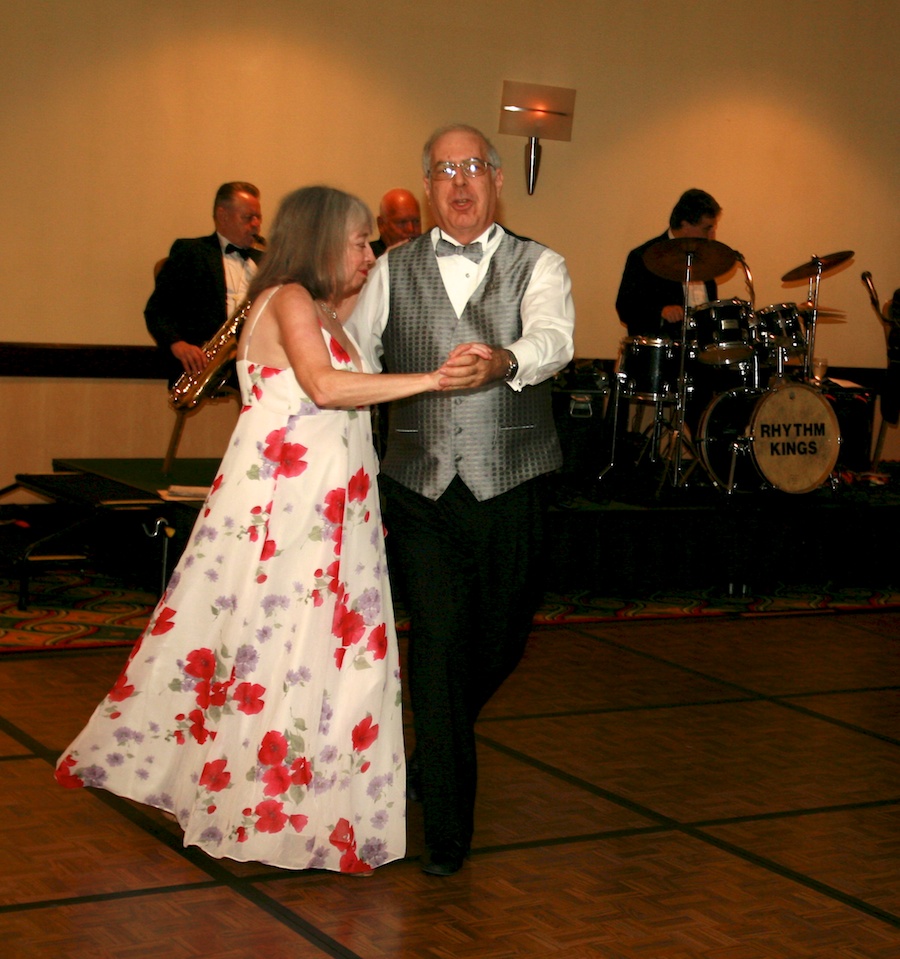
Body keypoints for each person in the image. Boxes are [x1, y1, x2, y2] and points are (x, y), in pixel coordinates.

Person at [56, 186, 486, 875]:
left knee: (316, 649)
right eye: (355, 241)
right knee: (280, 646)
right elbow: (323, 386)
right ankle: (269, 803)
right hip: (292, 507)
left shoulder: (321, 307)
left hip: (332, 502)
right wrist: (431, 381)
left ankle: (317, 800)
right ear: (318, 242)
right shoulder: (286, 297)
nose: (365, 251)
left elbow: (358, 336)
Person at [349, 124, 575, 876]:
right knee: (438, 649)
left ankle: (433, 746)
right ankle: (446, 833)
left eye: (472, 165)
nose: (459, 181)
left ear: (496, 176)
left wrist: (507, 357)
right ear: (426, 184)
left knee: (503, 640)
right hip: (418, 490)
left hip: (513, 483)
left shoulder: (540, 263)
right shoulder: (390, 269)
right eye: (443, 169)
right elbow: (353, 357)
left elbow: (553, 339)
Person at [145, 182, 264, 384]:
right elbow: (157, 310)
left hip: (260, 357)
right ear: (223, 215)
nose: (255, 224)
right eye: (247, 217)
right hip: (207, 359)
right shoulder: (191, 252)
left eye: (258, 217)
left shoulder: (266, 261)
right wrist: (178, 344)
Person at [615, 188, 722, 338]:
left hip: (702, 351)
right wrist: (661, 311)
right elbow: (626, 307)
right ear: (685, 226)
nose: (712, 236)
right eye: (707, 229)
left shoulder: (705, 257)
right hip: (665, 352)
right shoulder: (644, 256)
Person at [369, 188, 422, 256]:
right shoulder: (367, 258)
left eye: (416, 221)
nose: (411, 229)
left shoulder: (429, 255)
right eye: (402, 222)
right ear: (381, 224)